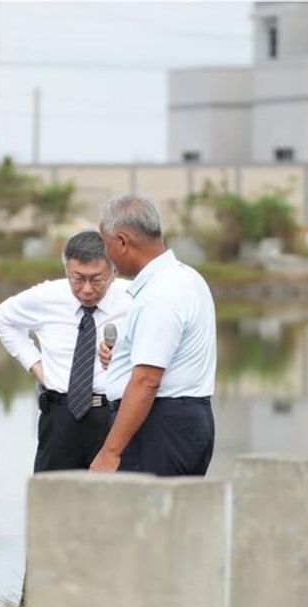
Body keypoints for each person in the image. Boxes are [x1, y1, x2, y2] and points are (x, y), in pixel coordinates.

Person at [89, 194, 217, 477]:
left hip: (159, 426)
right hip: (180, 421)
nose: (105, 254)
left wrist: (109, 453)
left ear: (122, 242)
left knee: (148, 517)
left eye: (105, 243)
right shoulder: (185, 277)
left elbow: (147, 381)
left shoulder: (161, 294)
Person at [0, 231, 131, 472]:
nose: (86, 290)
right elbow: (2, 319)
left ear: (114, 272)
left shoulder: (134, 300)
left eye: (97, 279)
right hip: (60, 416)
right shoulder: (47, 296)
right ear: (66, 270)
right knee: (52, 500)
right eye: (77, 279)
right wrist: (36, 366)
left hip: (113, 415)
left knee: (113, 500)